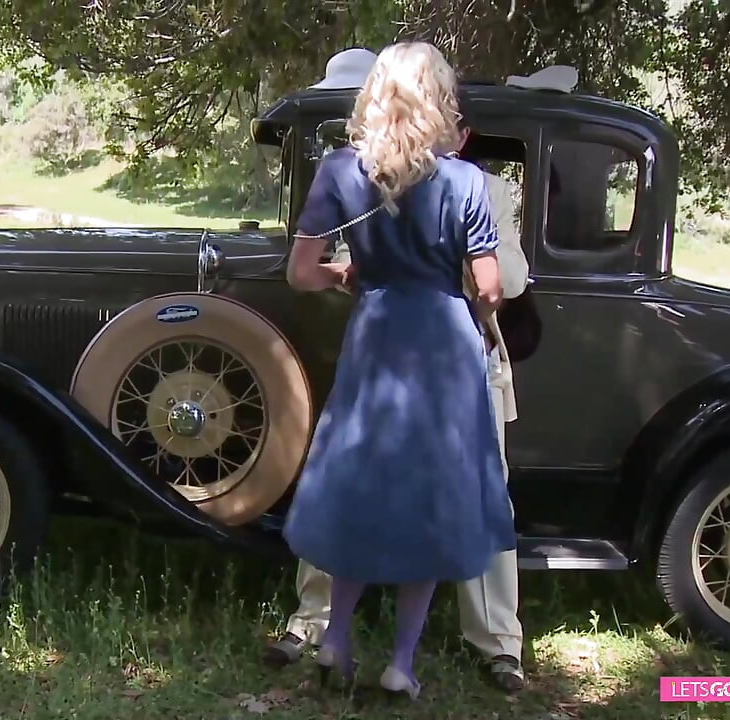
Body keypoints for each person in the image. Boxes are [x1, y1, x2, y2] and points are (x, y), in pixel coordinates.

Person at [279, 41, 517, 701]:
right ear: (440, 100)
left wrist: (348, 272)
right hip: (444, 349)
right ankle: (401, 665)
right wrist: (471, 284)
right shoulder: (468, 183)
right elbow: (491, 290)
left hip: (377, 339)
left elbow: (301, 274)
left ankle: (335, 639)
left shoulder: (338, 172)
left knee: (364, 491)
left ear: (374, 97)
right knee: (431, 502)